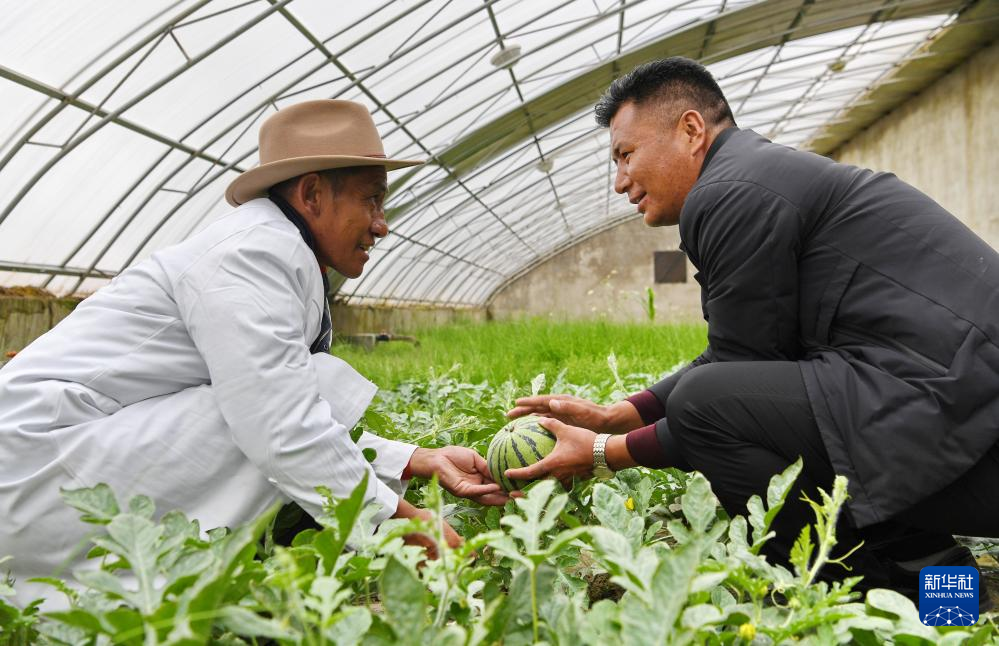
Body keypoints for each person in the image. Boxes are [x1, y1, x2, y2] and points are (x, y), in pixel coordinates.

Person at [506, 57, 999, 595]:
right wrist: (620, 415)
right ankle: (940, 586)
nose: (621, 181)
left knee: (706, 407)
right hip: (951, 410)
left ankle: (847, 601)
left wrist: (604, 453)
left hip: (965, 425)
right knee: (752, 400)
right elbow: (740, 356)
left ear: (691, 130)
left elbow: (720, 392)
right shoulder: (753, 177)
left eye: (626, 155)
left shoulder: (730, 192)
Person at [0, 100, 506, 607]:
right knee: (309, 390)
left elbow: (276, 405)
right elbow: (279, 424)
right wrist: (401, 524)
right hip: (35, 474)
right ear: (312, 194)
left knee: (299, 393)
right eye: (371, 200)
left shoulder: (277, 249)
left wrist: (415, 459)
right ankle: (117, 594)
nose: (381, 224)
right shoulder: (253, 253)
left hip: (63, 461)